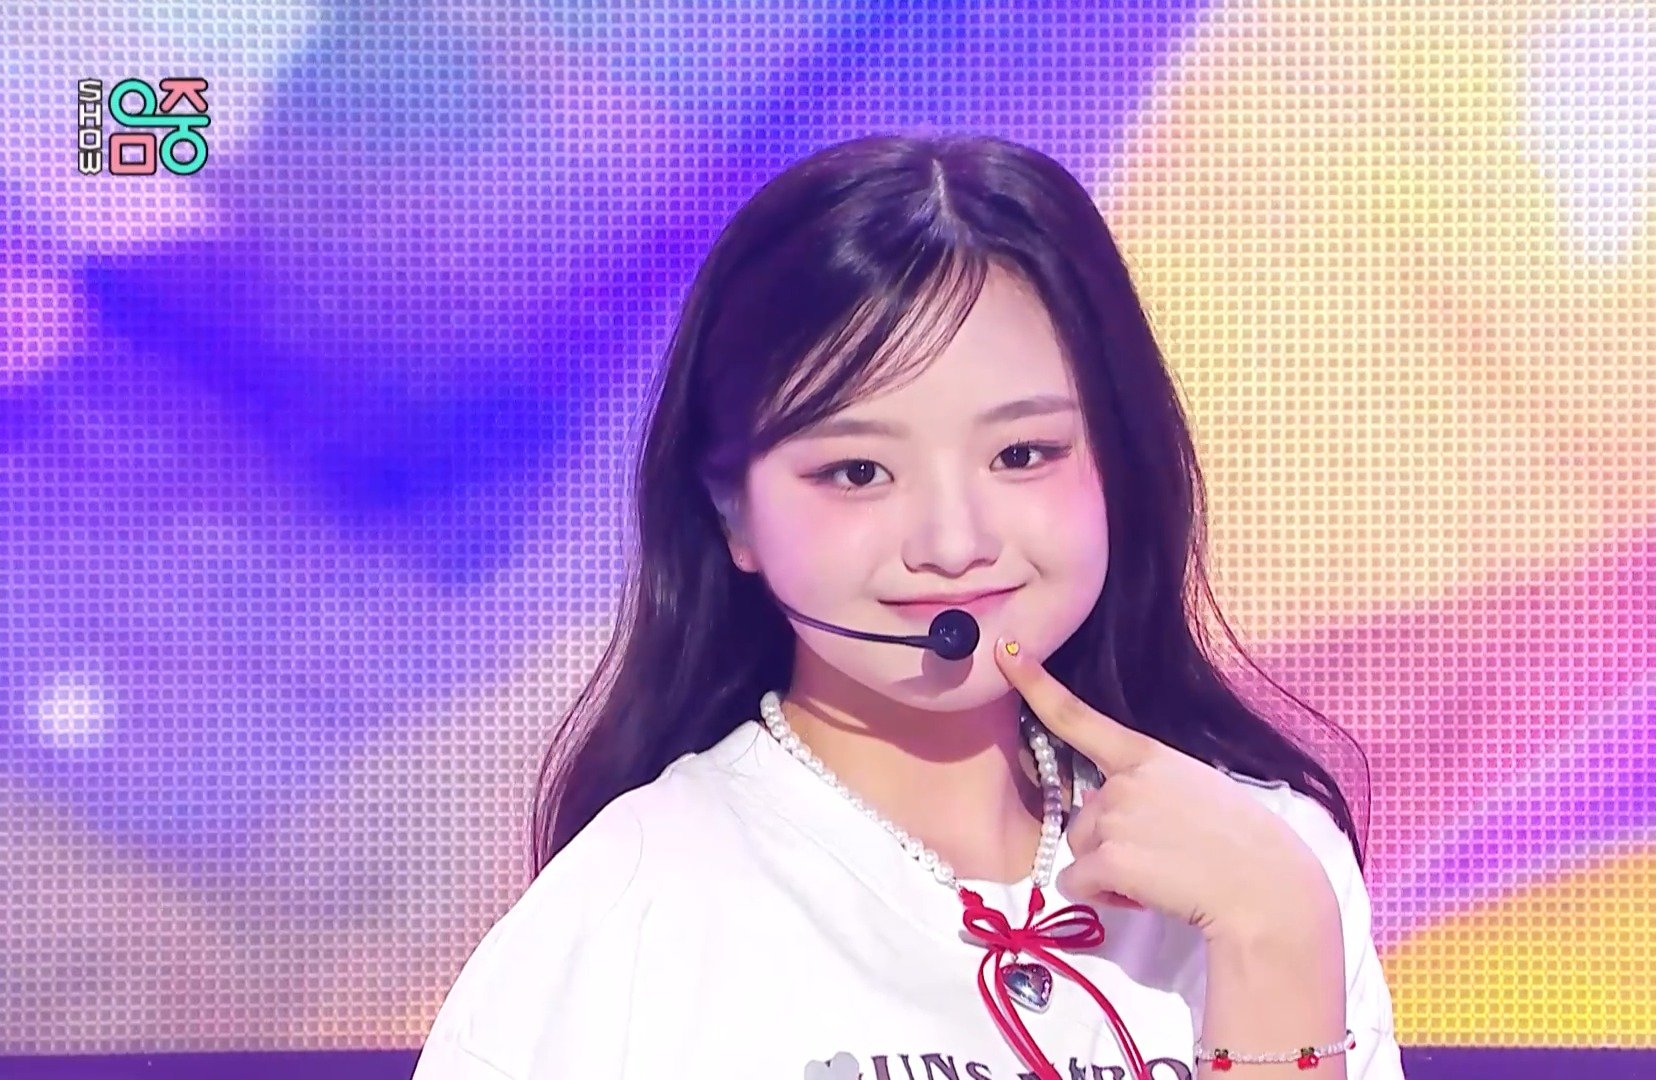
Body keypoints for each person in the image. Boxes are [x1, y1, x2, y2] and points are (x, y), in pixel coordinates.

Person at [412, 132, 1404, 1080]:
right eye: (858, 471)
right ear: (732, 513)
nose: (952, 542)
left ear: (1119, 462)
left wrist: (1276, 948)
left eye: (1023, 454)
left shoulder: (1273, 862)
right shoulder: (629, 908)